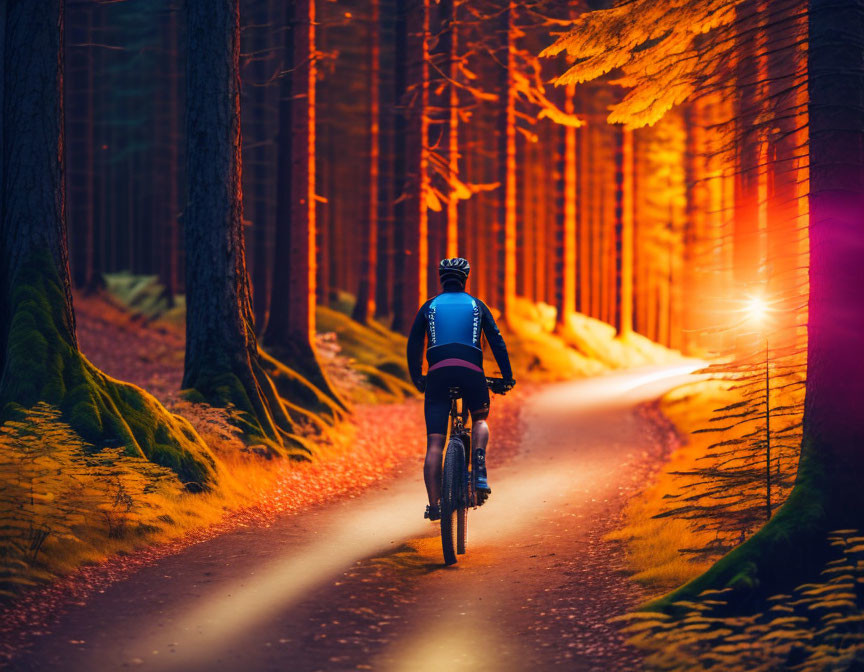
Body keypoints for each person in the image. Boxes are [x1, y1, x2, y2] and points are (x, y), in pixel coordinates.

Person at [406, 257, 516, 521]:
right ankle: (478, 468)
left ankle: (434, 506)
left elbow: (413, 344)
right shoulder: (476, 305)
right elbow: (497, 342)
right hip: (471, 371)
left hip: (437, 374)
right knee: (479, 417)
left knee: (434, 443)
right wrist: (507, 377)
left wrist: (418, 377)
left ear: (441, 279)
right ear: (465, 279)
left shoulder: (429, 306)